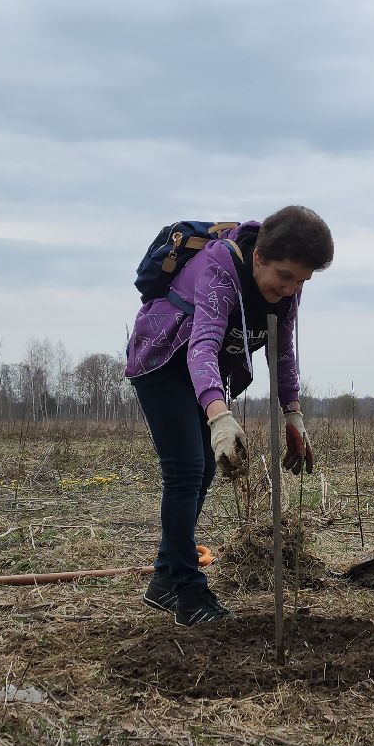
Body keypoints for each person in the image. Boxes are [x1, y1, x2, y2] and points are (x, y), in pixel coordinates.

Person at [124, 205, 334, 625]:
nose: (291, 288)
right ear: (258, 258)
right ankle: (187, 592)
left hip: (205, 374)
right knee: (186, 471)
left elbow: (283, 352)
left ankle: (164, 579)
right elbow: (202, 344)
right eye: (285, 277)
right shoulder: (221, 266)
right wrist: (219, 416)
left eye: (301, 281)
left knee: (200, 474)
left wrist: (293, 416)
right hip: (164, 361)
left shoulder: (285, 288)